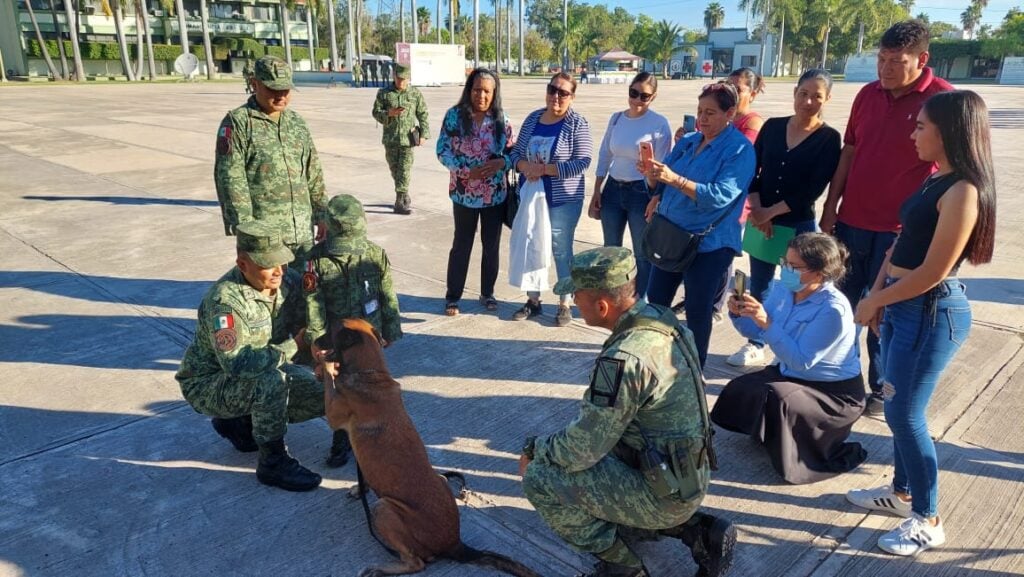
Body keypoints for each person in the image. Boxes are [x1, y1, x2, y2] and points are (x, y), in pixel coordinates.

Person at [519, 247, 735, 577]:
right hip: (684, 474)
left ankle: (623, 568)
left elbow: (582, 448)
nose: (574, 302)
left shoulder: (624, 360)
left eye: (577, 296)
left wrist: (536, 450)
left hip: (663, 489)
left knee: (540, 476)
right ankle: (697, 530)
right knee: (585, 460)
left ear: (602, 305)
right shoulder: (664, 321)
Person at [846, 90, 996, 557]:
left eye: (921, 127)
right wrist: (876, 293)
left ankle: (927, 518)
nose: (913, 134)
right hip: (902, 306)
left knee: (906, 415)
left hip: (931, 312)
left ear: (949, 131)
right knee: (894, 405)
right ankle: (904, 493)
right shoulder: (937, 180)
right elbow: (900, 243)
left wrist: (877, 302)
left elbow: (933, 272)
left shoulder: (963, 191)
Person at [818, 20, 953, 416]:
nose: (886, 68)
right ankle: (837, 375)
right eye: (881, 58)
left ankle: (881, 387)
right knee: (839, 305)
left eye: (897, 60)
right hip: (852, 223)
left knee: (884, 315)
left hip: (902, 232)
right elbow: (849, 152)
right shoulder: (867, 94)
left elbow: (953, 169)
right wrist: (830, 209)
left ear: (922, 59)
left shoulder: (943, 100)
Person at [175, 222, 330, 493]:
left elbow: (309, 323)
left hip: (261, 369)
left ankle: (238, 422)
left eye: (281, 262)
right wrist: (294, 346)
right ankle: (273, 463)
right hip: (210, 383)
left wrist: (318, 352)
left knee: (325, 396)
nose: (278, 271)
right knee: (271, 382)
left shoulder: (287, 281)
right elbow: (238, 364)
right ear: (243, 264)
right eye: (268, 265)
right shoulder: (224, 302)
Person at [712, 233, 866, 484]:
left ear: (819, 273)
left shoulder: (833, 310)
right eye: (785, 262)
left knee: (779, 397)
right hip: (791, 372)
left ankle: (804, 453)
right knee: (742, 387)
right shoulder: (784, 289)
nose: (786, 270)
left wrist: (766, 322)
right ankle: (771, 434)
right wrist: (740, 314)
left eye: (794, 267)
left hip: (833, 393)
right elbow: (757, 330)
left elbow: (801, 360)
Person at [727, 69, 843, 368]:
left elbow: (813, 189)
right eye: (803, 93)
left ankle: (791, 345)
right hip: (761, 221)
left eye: (817, 96)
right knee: (761, 285)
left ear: (827, 99)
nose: (808, 101)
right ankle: (756, 343)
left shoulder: (829, 138)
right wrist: (756, 209)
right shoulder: (773, 127)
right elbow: (752, 171)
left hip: (797, 226)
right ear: (794, 93)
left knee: (797, 287)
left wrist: (770, 212)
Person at [642, 82, 756, 368]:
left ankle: (693, 371)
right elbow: (663, 178)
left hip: (710, 243)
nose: (702, 119)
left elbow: (719, 196)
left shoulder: (739, 150)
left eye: (710, 113)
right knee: (656, 303)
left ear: (730, 113)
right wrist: (652, 180)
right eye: (699, 111)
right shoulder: (689, 141)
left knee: (697, 310)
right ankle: (655, 364)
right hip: (671, 235)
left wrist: (672, 179)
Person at [304, 194, 402, 467]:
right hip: (336, 339)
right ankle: (342, 440)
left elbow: (387, 294)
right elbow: (313, 304)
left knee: (371, 387)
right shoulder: (316, 261)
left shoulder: (374, 254)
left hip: (369, 337)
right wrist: (317, 340)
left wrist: (390, 330)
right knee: (340, 388)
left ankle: (374, 435)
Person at [214, 55, 327, 268]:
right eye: (273, 89)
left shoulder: (296, 123)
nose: (281, 96)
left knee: (304, 292)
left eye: (285, 90)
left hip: (301, 233)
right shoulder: (238, 123)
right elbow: (230, 181)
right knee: (267, 294)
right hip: (264, 236)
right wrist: (247, 232)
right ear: (255, 84)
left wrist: (322, 213)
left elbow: (313, 171)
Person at [508, 72, 593, 327]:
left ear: (572, 97)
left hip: (562, 199)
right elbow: (516, 154)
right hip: (531, 196)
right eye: (552, 89)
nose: (556, 96)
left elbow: (583, 161)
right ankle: (533, 299)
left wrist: (545, 169)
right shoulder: (533, 118)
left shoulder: (577, 123)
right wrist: (525, 166)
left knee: (560, 249)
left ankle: (565, 302)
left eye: (563, 92)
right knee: (530, 244)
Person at [435, 68, 516, 316]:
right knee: (462, 245)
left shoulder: (502, 120)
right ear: (469, 90)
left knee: (491, 246)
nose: (481, 95)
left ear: (494, 94)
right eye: (477, 89)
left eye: (487, 91)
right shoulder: (454, 117)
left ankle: (487, 293)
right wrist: (463, 171)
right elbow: (442, 150)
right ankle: (453, 297)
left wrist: (503, 163)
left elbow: (514, 152)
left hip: (494, 196)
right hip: (463, 195)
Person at [589, 71, 672, 299]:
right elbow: (605, 154)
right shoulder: (616, 118)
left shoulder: (659, 124)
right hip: (613, 190)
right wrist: (597, 189)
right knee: (611, 250)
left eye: (643, 96)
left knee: (642, 253)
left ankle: (642, 300)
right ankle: (614, 297)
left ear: (653, 97)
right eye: (633, 93)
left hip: (641, 191)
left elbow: (663, 166)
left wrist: (652, 181)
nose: (637, 100)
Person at [372, 63, 430, 215]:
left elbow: (423, 113)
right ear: (394, 77)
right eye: (399, 79)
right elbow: (376, 112)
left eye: (404, 79)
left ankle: (400, 201)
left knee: (404, 170)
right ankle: (404, 194)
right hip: (390, 139)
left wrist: (424, 134)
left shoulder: (415, 94)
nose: (401, 82)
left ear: (409, 78)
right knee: (395, 170)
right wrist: (388, 114)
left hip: (407, 140)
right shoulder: (384, 93)